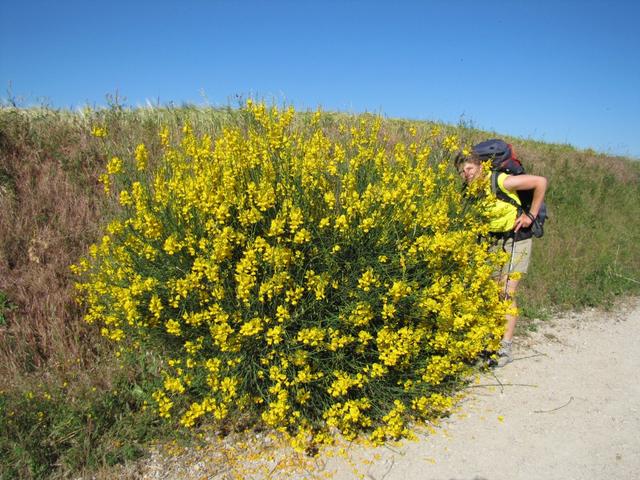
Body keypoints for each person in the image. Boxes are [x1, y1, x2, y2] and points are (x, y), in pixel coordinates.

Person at [455, 151, 547, 366]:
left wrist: (530, 216)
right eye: (461, 171)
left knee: (507, 291)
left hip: (516, 238)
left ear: (481, 167)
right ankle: (489, 341)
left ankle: (505, 348)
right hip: (492, 241)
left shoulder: (501, 180)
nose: (465, 174)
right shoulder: (470, 191)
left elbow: (540, 182)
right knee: (491, 291)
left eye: (469, 168)